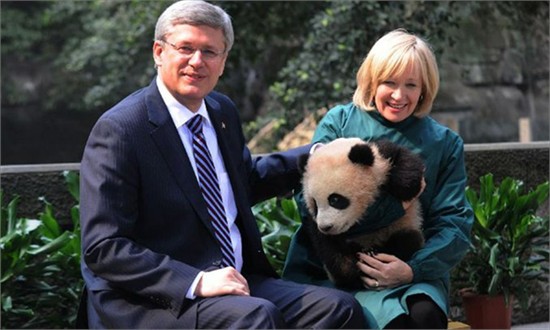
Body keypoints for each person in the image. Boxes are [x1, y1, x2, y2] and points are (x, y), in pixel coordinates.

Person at [78, 0, 366, 328]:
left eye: (210, 51)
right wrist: (197, 281)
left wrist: (319, 154)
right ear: (159, 52)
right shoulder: (122, 129)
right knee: (257, 316)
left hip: (236, 283)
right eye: (185, 47)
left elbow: (244, 182)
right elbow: (104, 247)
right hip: (155, 298)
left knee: (338, 309)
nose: (197, 61)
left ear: (223, 61)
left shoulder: (220, 110)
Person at [282, 28, 474, 329]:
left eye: (411, 84)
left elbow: (454, 223)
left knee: (424, 316)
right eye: (389, 82)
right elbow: (311, 203)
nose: (399, 95)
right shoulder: (339, 123)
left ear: (425, 88)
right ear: (372, 80)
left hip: (408, 263)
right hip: (335, 265)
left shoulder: (444, 143)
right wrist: (396, 207)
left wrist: (412, 269)